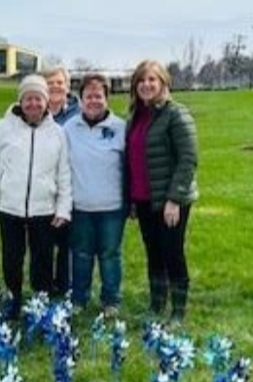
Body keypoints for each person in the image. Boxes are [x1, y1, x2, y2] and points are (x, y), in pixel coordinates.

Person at [0, 74, 72, 320]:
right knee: (12, 256)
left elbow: (64, 174)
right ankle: (14, 298)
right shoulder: (3, 127)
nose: (33, 104)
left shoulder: (58, 133)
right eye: (28, 99)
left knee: (42, 258)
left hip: (44, 207)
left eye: (38, 99)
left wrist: (63, 209)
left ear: (46, 102)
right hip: (9, 206)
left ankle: (40, 302)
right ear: (20, 101)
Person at [125, 59, 198, 322]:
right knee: (153, 252)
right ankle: (156, 306)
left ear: (163, 83)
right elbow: (132, 159)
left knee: (172, 252)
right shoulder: (135, 116)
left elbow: (188, 158)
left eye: (151, 80)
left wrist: (174, 199)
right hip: (144, 199)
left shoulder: (176, 114)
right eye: (141, 81)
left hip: (169, 200)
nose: (146, 85)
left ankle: (177, 312)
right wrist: (132, 199)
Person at [64, 73, 127, 316]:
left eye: (98, 96)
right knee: (81, 255)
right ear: (80, 100)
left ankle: (111, 300)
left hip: (112, 207)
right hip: (80, 206)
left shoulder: (120, 128)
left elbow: (129, 167)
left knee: (110, 255)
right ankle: (79, 298)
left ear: (107, 98)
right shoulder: (69, 128)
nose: (93, 101)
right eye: (88, 96)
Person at [43, 66, 81, 297]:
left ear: (67, 86)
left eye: (60, 82)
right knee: (44, 241)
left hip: (70, 184)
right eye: (50, 82)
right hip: (44, 186)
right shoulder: (35, 110)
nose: (55, 86)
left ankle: (66, 286)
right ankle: (45, 286)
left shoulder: (79, 114)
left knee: (67, 242)